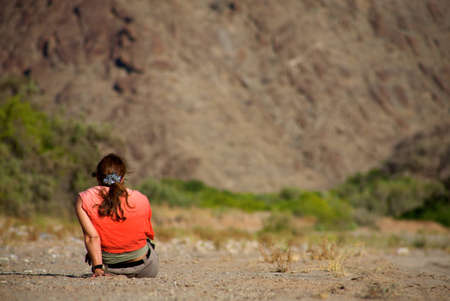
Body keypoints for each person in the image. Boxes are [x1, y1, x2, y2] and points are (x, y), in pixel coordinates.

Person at [75, 153, 159, 278]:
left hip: (109, 269)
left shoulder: (84, 199)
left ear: (98, 177)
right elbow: (145, 234)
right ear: (123, 178)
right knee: (148, 245)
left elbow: (91, 237)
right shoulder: (141, 199)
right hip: (144, 268)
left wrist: (97, 267)